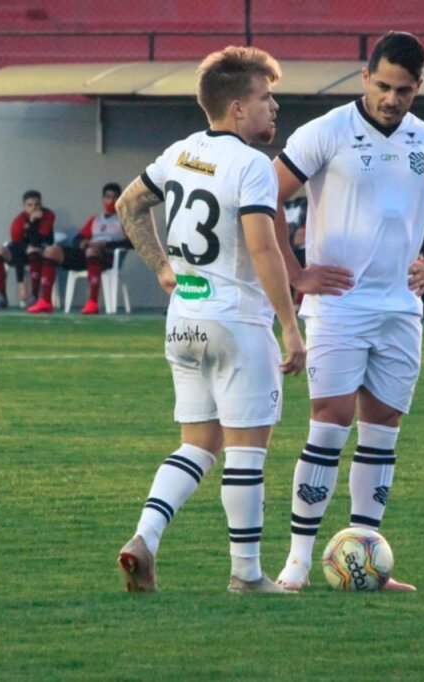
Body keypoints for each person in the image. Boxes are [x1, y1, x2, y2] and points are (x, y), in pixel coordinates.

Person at [271, 31, 424, 592]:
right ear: (364, 77)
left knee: (383, 431)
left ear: (418, 88)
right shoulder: (326, 132)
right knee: (329, 422)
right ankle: (299, 561)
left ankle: (365, 562)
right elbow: (267, 198)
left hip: (399, 309)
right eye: (382, 85)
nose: (392, 98)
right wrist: (296, 272)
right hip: (337, 306)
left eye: (403, 89)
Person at [114, 46, 305, 594]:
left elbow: (129, 204)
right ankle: (246, 575)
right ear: (238, 108)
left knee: (197, 444)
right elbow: (265, 250)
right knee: (246, 452)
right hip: (238, 322)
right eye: (266, 98)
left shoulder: (180, 152)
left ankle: (145, 538)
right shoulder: (251, 166)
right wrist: (290, 327)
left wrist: (162, 268)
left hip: (184, 321)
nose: (275, 109)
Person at [27, 183, 129, 315]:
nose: (110, 201)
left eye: (115, 197)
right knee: (51, 252)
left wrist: (105, 244)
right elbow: (77, 239)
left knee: (91, 251)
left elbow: (131, 243)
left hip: (108, 257)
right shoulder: (96, 219)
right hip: (88, 253)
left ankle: (92, 302)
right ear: (103, 199)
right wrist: (83, 242)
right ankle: (45, 301)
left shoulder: (125, 219)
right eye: (108, 197)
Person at [0, 190, 55, 309]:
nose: (34, 208)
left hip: (41, 250)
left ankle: (34, 296)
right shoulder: (19, 221)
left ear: (41, 204)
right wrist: (21, 282)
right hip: (21, 251)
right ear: (24, 206)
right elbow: (17, 248)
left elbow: (37, 241)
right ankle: (2, 296)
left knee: (32, 249)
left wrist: (33, 222)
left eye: (37, 204)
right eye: (30, 205)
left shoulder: (48, 215)